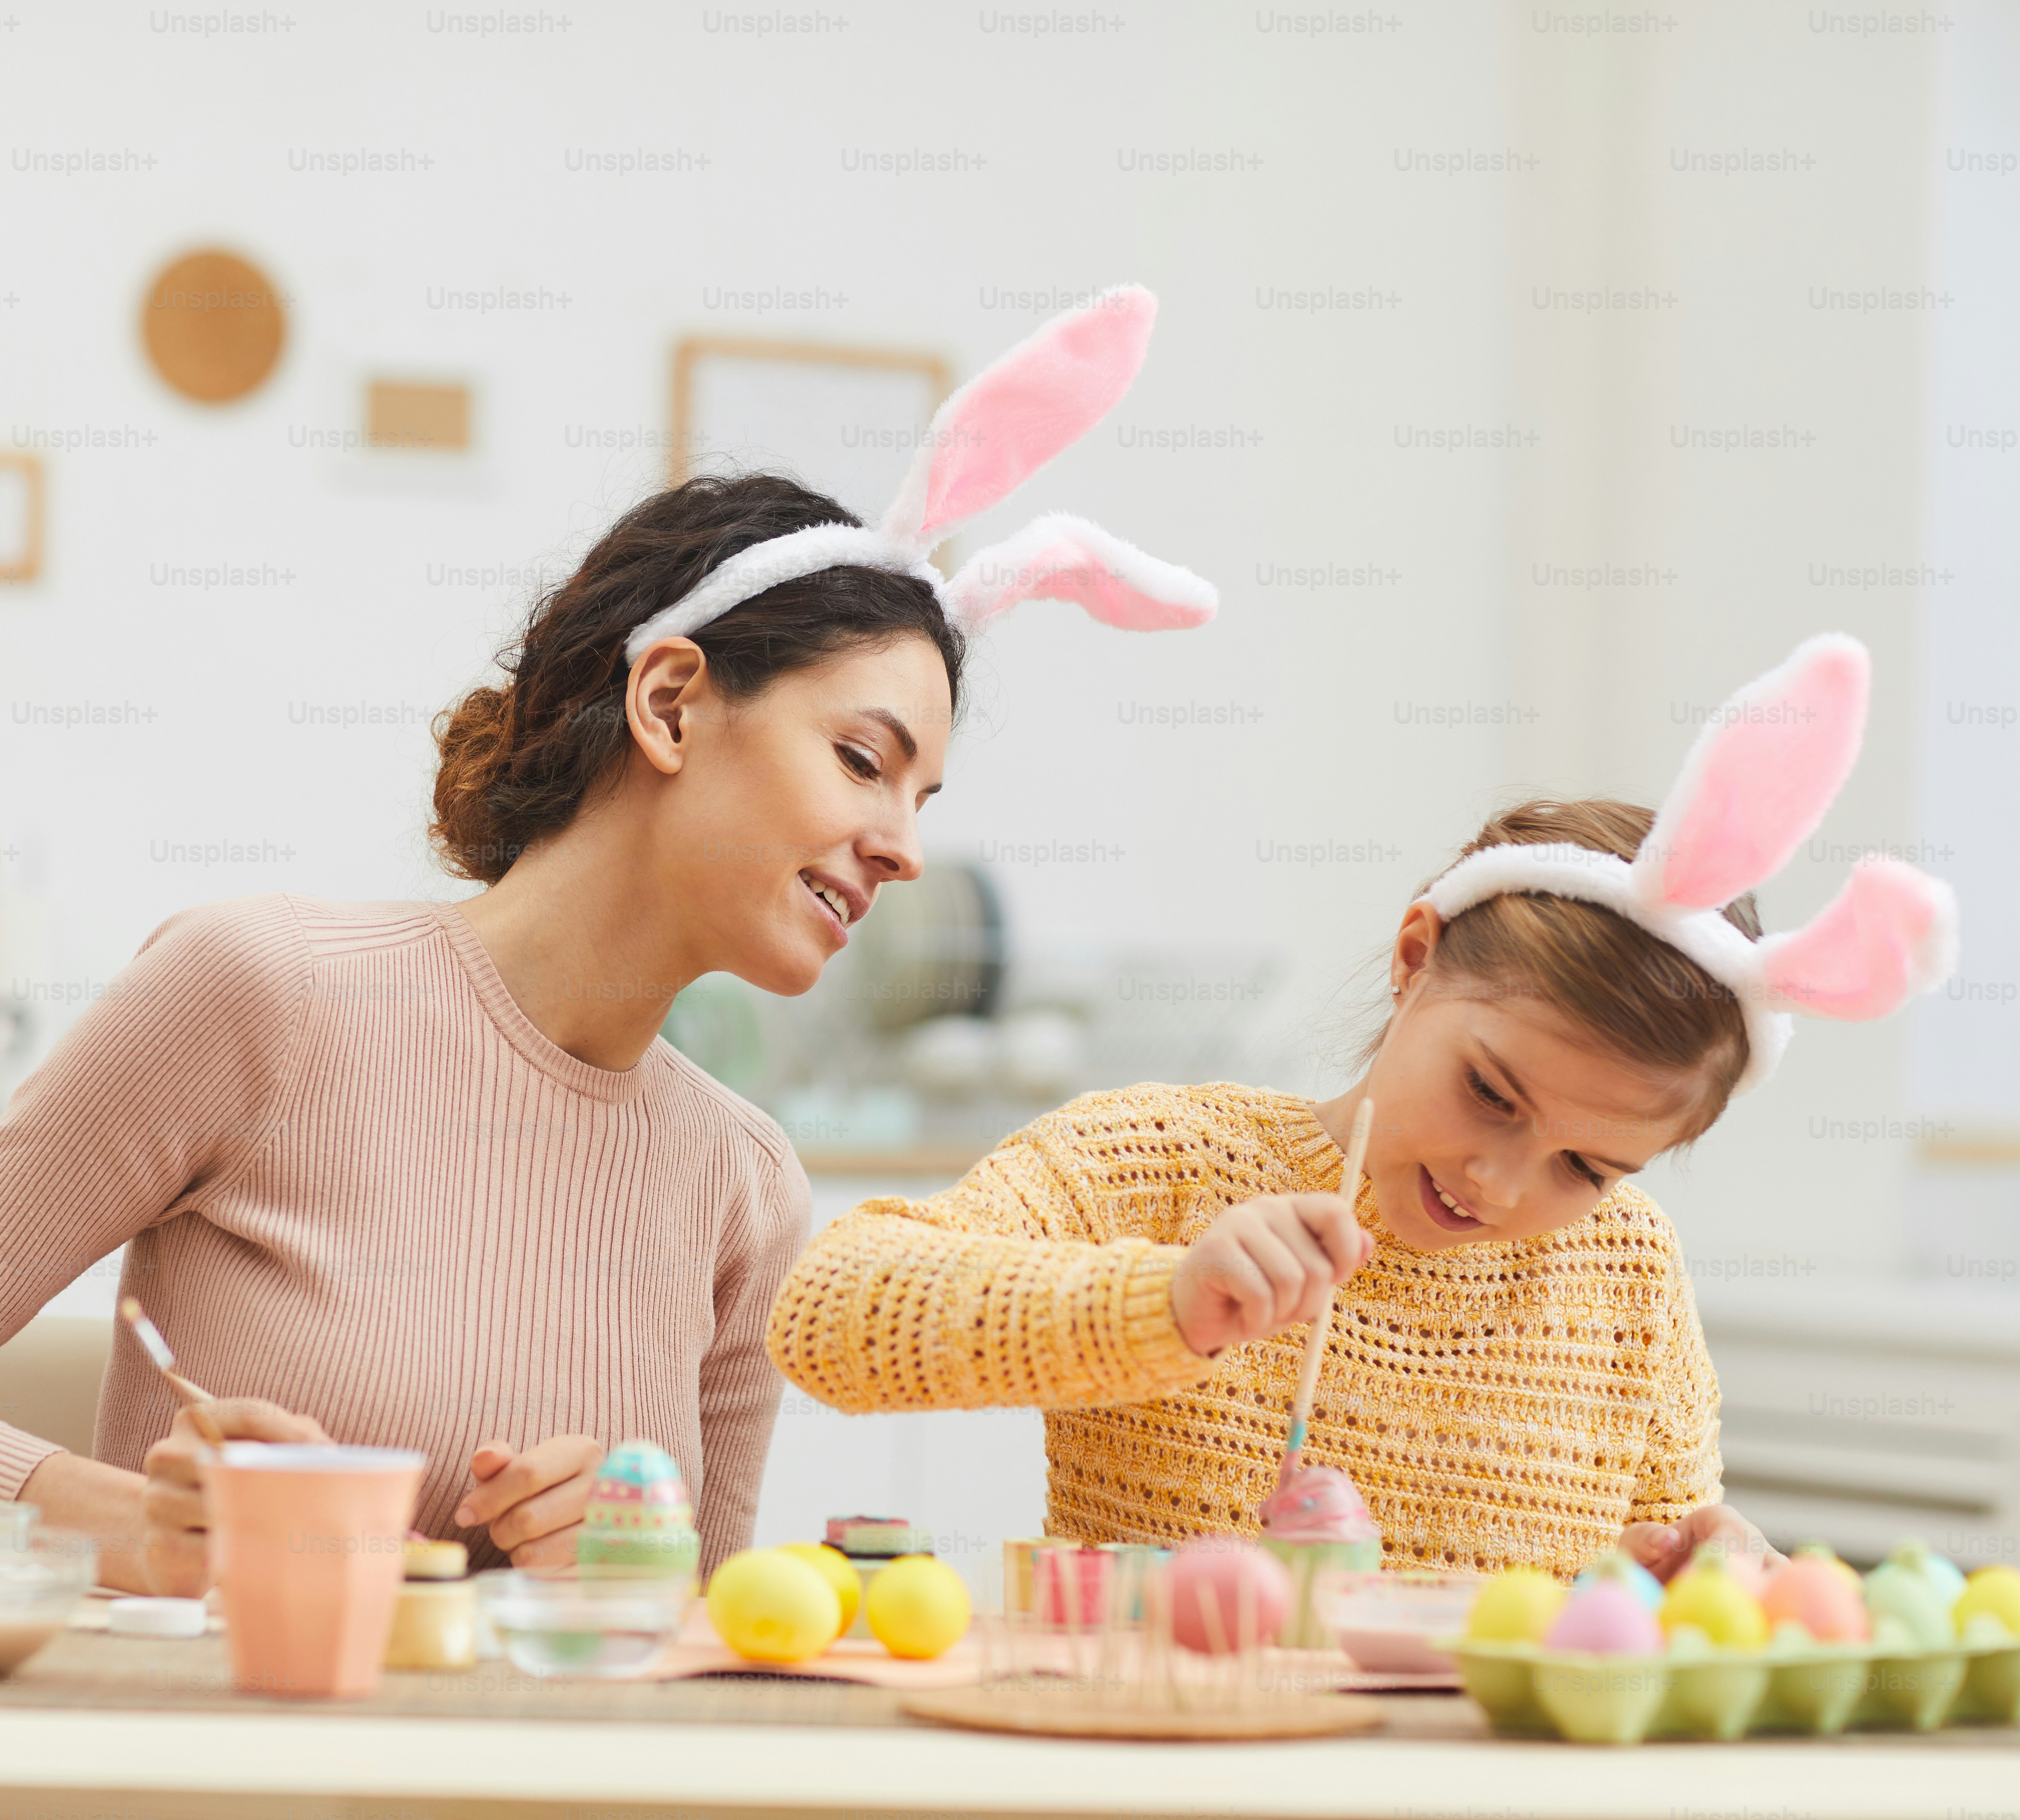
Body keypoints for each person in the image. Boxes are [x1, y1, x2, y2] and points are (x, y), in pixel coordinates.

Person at [0, 291, 1218, 1593]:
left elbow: (704, 1656)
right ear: (668, 704)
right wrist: (123, 1522)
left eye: (923, 797)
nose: (904, 846)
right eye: (861, 759)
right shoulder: (256, 995)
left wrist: (633, 1567)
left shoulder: (745, 1188)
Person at [766, 634, 1955, 1580]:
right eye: (1492, 1093)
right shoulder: (1159, 1166)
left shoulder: (1629, 1272)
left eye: (1588, 1167)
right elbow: (829, 1316)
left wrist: (1711, 1567)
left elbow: (1665, 1549)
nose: (1502, 1182)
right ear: (1413, 956)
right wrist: (1166, 1301)